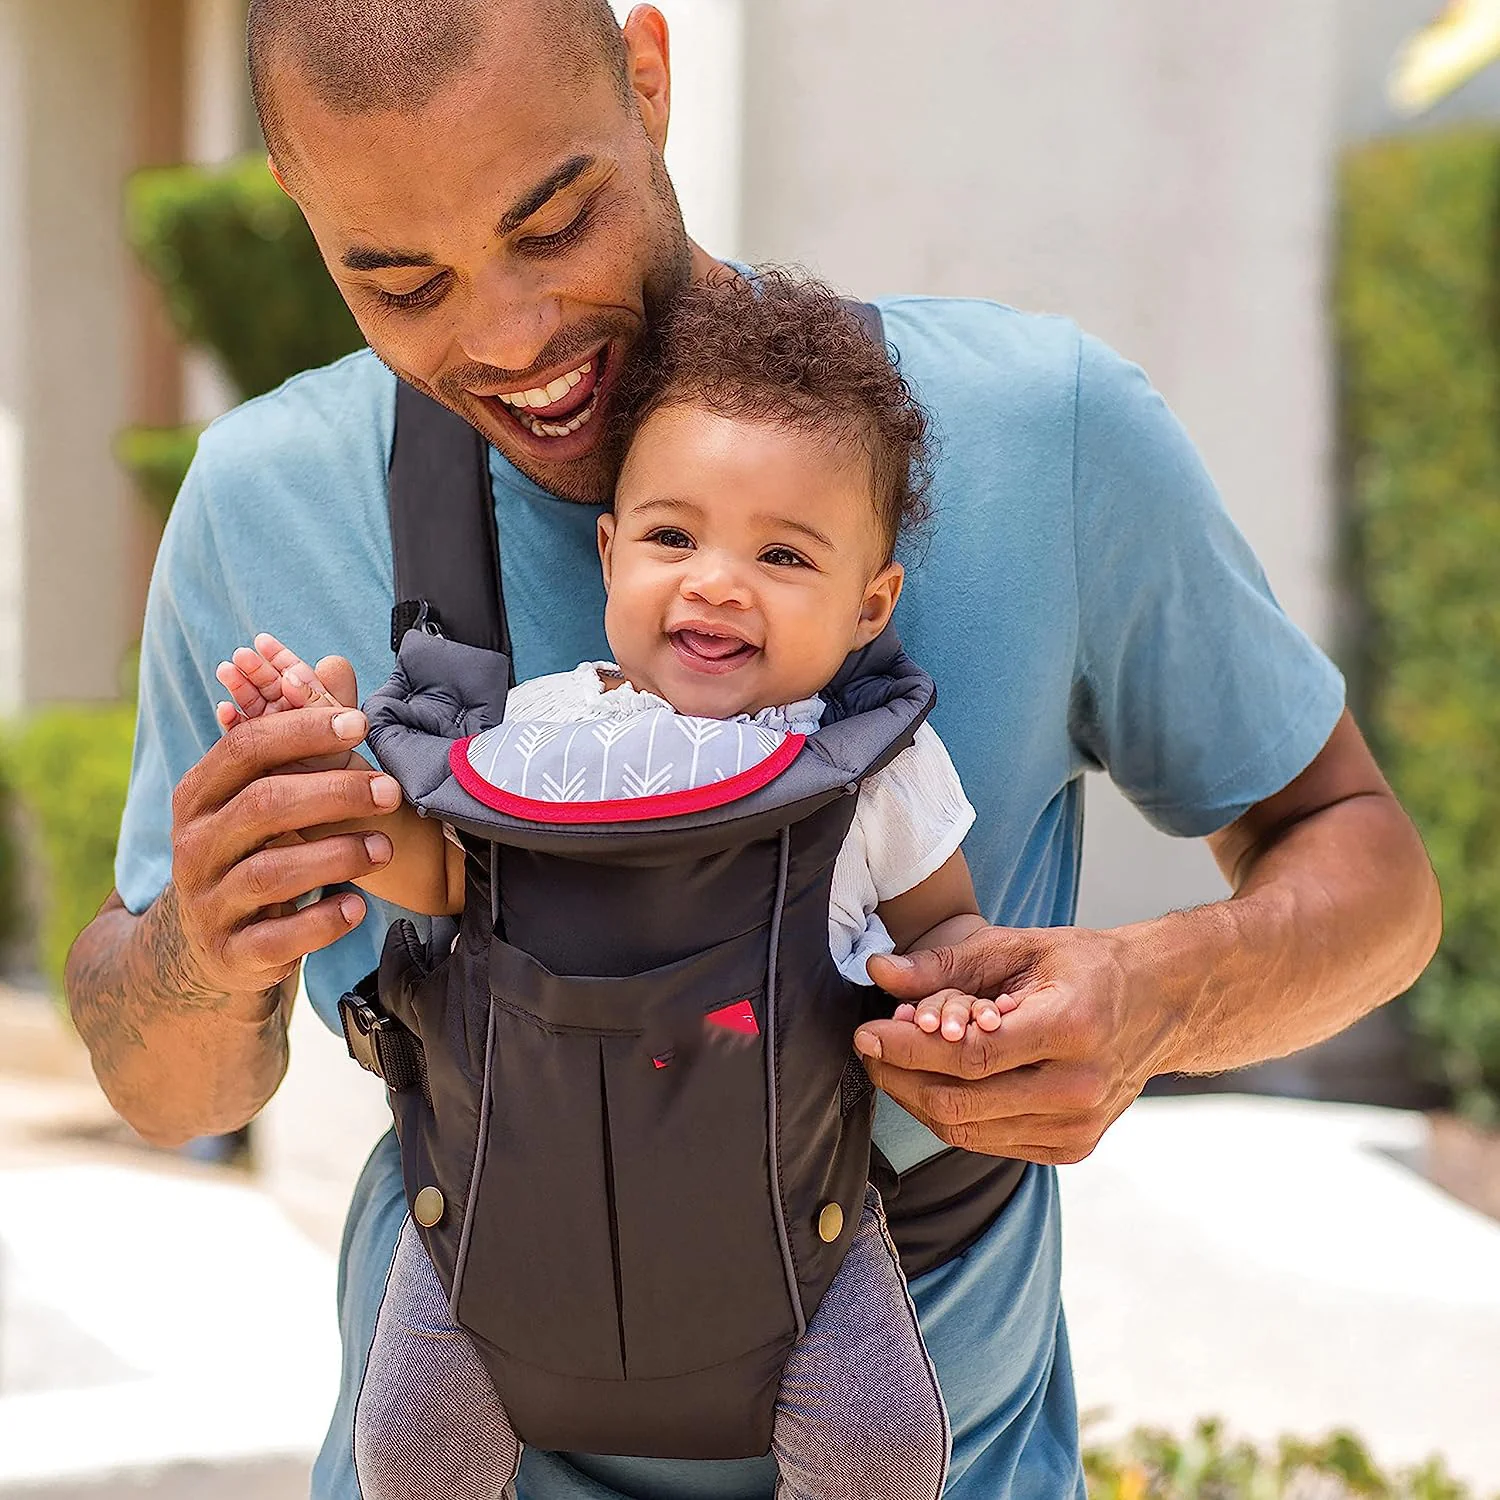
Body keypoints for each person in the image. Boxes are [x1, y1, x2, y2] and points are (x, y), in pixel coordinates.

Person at [64, 3, 1441, 1497]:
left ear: (647, 76)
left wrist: (1163, 1000)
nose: (510, 338)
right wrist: (203, 953)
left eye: (556, 219)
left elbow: (1368, 868)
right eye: (398, 281)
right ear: (303, 207)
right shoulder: (269, 504)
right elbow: (171, 1091)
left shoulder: (1045, 435)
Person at [214, 272, 1003, 1500]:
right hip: (494, 1214)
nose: (717, 582)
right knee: (412, 1449)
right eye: (673, 536)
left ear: (870, 606)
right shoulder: (533, 732)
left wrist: (954, 999)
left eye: (783, 554)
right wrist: (330, 758)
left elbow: (944, 926)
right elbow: (438, 877)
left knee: (883, 1449)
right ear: (609, 550)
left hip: (789, 1222)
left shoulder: (864, 768)